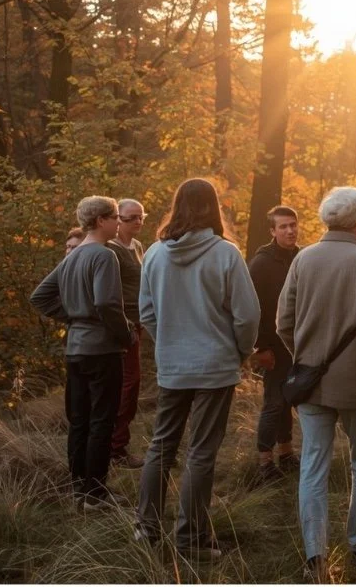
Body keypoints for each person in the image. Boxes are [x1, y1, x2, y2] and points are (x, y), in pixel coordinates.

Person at [136, 178, 260, 558]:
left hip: (174, 365)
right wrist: (240, 351)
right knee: (201, 452)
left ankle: (147, 529)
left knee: (161, 446)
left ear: (177, 205)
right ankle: (191, 540)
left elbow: (146, 312)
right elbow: (247, 314)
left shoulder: (155, 254)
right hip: (215, 365)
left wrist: (170, 342)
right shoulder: (225, 253)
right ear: (213, 207)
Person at [277, 187, 356, 578]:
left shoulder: (303, 260)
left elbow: (283, 323)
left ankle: (315, 555)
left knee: (313, 465)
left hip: (310, 382)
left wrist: (305, 357)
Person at [30, 196, 134, 510]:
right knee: (102, 420)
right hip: (101, 350)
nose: (119, 222)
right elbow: (105, 304)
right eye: (116, 216)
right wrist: (125, 334)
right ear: (101, 220)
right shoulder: (103, 256)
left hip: (75, 350)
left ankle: (79, 488)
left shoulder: (72, 257)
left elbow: (40, 297)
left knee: (80, 421)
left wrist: (74, 316)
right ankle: (95, 493)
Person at [249, 205, 301, 484]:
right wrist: (260, 347)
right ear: (272, 231)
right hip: (272, 345)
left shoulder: (303, 257)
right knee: (273, 402)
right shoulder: (261, 263)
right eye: (283, 226)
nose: (290, 230)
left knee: (287, 400)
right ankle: (265, 464)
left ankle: (287, 454)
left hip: (297, 343)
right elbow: (251, 308)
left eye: (293, 225)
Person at [107, 199, 147, 469]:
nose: (137, 221)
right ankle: (116, 447)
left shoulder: (138, 246)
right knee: (128, 383)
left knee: (130, 384)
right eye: (131, 217)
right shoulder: (111, 250)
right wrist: (123, 324)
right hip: (123, 325)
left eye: (140, 216)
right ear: (118, 219)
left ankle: (116, 443)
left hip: (139, 322)